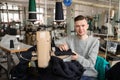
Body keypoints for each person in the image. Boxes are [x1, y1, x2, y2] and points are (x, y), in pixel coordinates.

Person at [55, 15, 100, 80]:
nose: (80, 29)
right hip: (72, 72)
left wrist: (77, 57)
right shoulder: (70, 38)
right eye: (77, 26)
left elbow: (91, 64)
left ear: (87, 26)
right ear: (74, 27)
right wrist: (60, 45)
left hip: (87, 74)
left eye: (83, 25)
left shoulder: (94, 42)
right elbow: (55, 42)